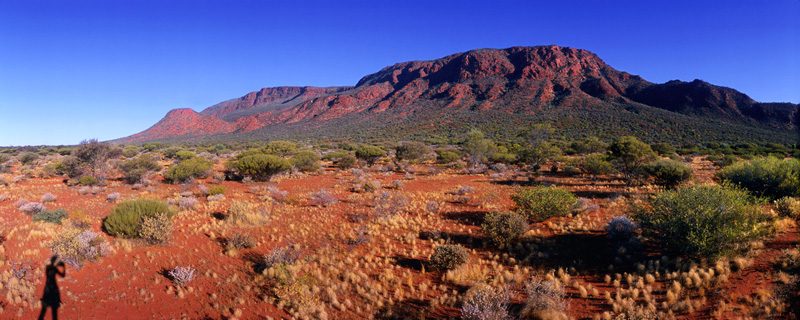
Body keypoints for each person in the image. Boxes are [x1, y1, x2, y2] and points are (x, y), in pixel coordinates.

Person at [38, 256, 65, 320]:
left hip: (47, 287)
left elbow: (50, 273)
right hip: (53, 288)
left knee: (43, 309)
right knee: (54, 309)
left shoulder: (48, 268)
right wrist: (63, 267)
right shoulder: (54, 269)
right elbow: (62, 275)